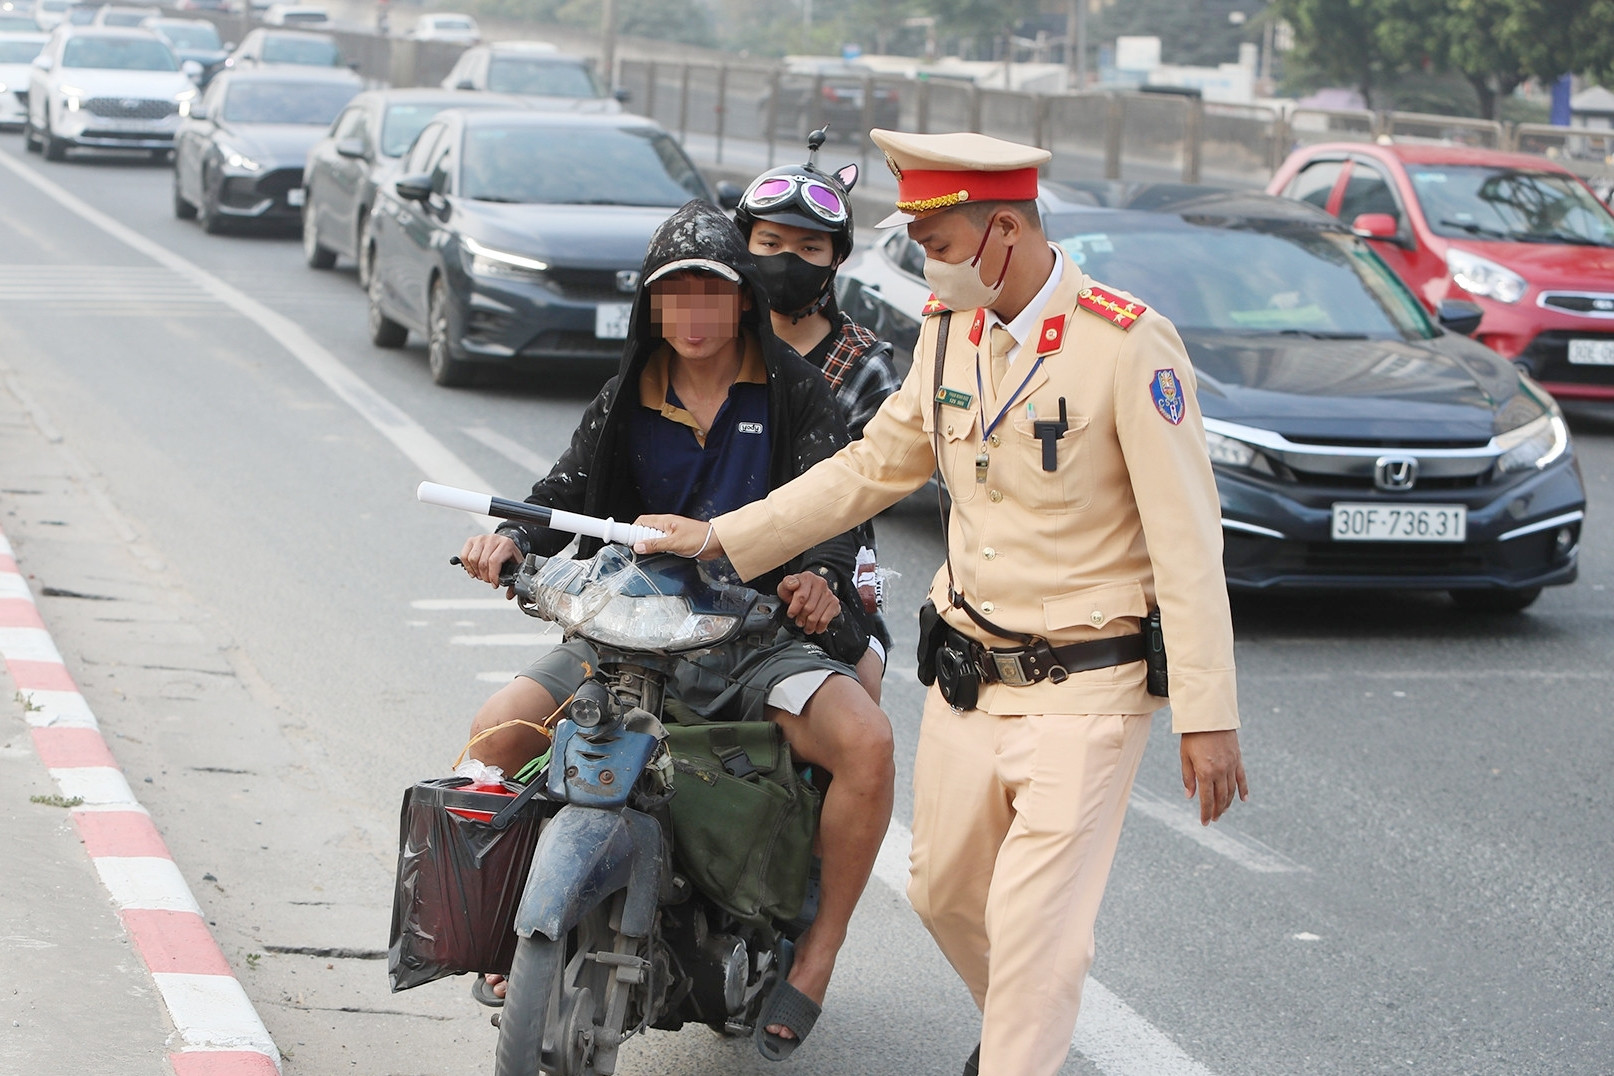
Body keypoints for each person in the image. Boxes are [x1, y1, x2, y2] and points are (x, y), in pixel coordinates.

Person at [633, 130, 1250, 1076]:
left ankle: (1013, 1055)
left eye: (941, 243)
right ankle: (1020, 1036)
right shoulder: (952, 331)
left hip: (1088, 685)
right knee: (944, 895)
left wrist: (1207, 716)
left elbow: (1187, 539)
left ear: (1005, 231)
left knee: (1039, 933)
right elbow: (872, 468)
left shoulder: (1127, 345)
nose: (928, 263)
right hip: (970, 673)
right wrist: (724, 535)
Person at [455, 199, 894, 1060]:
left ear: (742, 302)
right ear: (652, 306)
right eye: (674, 295)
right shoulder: (628, 394)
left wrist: (820, 579)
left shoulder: (798, 393)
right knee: (495, 729)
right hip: (624, 626)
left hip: (753, 638)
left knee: (867, 744)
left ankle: (817, 955)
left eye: (712, 293)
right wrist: (509, 541)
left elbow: (835, 511)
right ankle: (505, 923)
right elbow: (562, 495)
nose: (693, 316)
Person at [735, 135, 902, 701]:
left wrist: (824, 575)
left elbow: (862, 486)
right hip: (701, 551)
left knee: (862, 704)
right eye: (770, 242)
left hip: (822, 563)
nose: (786, 260)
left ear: (836, 260)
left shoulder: (862, 364)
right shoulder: (705, 342)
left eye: (809, 248)